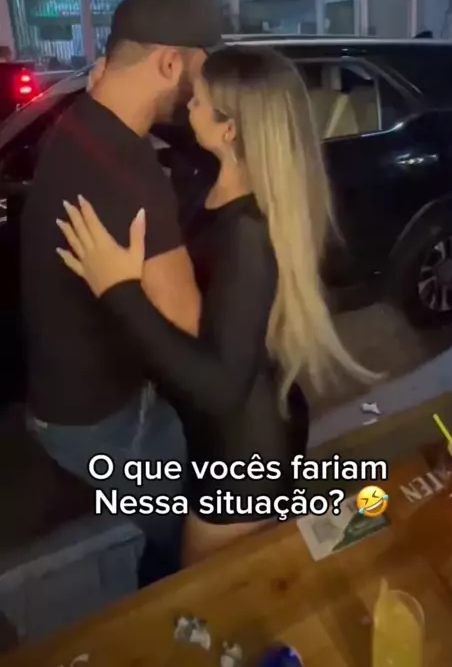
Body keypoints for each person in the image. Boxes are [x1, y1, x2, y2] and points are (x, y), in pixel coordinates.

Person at [55, 46, 374, 566]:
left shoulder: (249, 233)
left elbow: (220, 387)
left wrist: (118, 288)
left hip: (243, 454)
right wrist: (104, 98)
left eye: (199, 102)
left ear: (230, 130)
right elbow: (159, 126)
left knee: (211, 596)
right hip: (233, 427)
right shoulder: (217, 168)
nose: (187, 107)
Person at [22, 0, 223, 568]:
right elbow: (190, 331)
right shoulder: (129, 173)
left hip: (66, 396)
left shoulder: (81, 123)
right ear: (170, 64)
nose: (204, 88)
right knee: (197, 540)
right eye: (202, 69)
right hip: (105, 419)